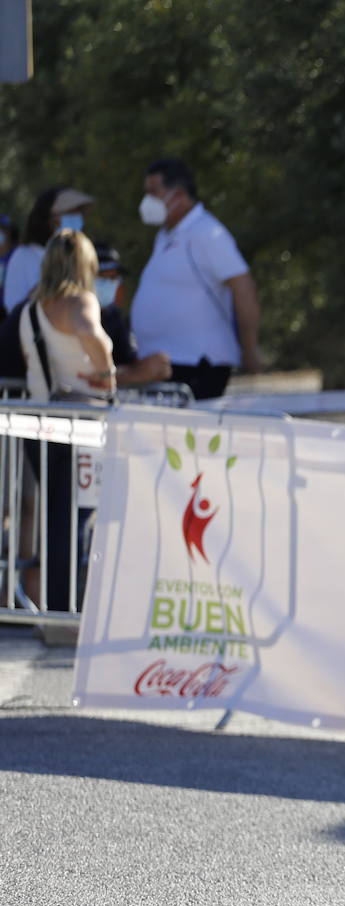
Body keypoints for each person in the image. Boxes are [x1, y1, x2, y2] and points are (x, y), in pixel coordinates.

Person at [17, 229, 115, 615]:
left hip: (38, 425)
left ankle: (57, 607)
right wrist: (106, 376)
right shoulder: (81, 302)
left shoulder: (30, 309)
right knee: (77, 519)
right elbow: (96, 339)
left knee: (56, 518)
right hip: (80, 425)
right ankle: (72, 608)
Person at [130, 158, 262, 399]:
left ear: (178, 195)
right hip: (167, 363)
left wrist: (249, 348)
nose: (147, 201)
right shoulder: (165, 235)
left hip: (199, 364)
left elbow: (244, 287)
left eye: (153, 192)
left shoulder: (207, 233)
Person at [87, 243, 172, 389]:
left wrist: (149, 366)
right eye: (103, 277)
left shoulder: (112, 314)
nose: (110, 283)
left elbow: (127, 360)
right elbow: (83, 375)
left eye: (114, 278)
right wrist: (133, 375)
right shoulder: (73, 313)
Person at [2, 186, 96, 316]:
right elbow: (14, 308)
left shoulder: (79, 256)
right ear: (51, 219)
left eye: (78, 212)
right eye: (70, 212)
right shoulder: (24, 256)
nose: (77, 218)